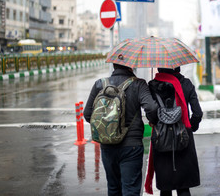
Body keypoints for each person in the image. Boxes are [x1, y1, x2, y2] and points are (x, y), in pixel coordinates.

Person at [84, 63, 159, 196]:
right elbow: (152, 108)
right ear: (131, 66)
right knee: (130, 189)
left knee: (113, 188)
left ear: (114, 65)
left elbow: (87, 114)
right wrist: (152, 120)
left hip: (107, 144)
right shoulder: (139, 84)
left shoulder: (100, 84)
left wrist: (106, 126)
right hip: (132, 146)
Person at [145, 67, 203, 196]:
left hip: (161, 138)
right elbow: (197, 113)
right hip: (183, 136)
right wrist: (190, 127)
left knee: (165, 188)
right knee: (183, 187)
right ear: (178, 66)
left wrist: (155, 121)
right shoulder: (186, 84)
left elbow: (150, 111)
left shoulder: (153, 85)